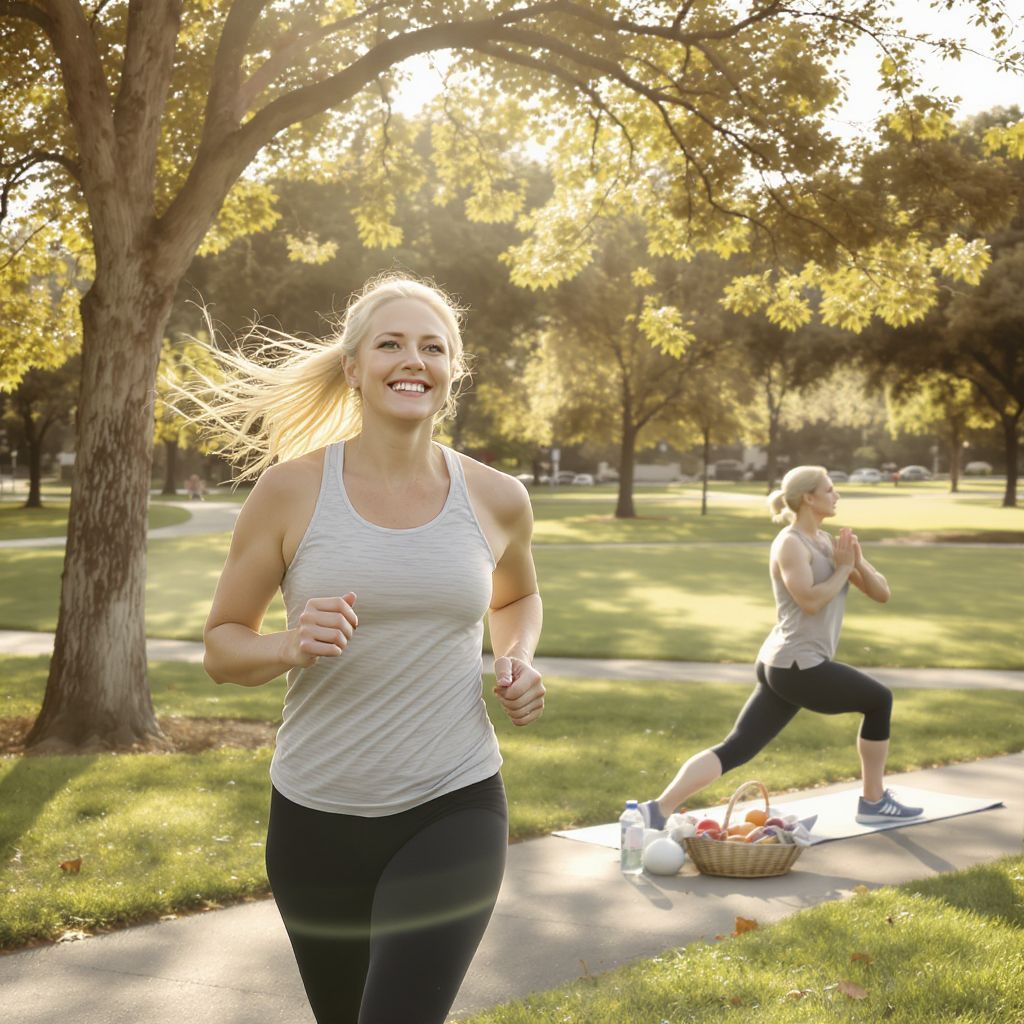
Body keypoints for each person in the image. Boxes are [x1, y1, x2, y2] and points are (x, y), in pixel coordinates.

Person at [194, 274, 545, 1024]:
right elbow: (223, 648)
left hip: (453, 801)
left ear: (453, 372)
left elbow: (516, 598)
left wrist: (515, 656)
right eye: (390, 343)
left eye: (432, 347)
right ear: (353, 366)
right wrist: (290, 644)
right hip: (315, 817)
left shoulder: (496, 496)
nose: (411, 359)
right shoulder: (289, 493)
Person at [636, 465, 922, 831]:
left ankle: (656, 810)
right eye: (830, 489)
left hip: (788, 663)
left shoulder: (826, 543)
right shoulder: (790, 543)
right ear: (809, 497)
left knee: (738, 747)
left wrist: (857, 561)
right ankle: (873, 800)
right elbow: (809, 601)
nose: (837, 496)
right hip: (797, 664)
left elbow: (882, 594)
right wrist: (842, 569)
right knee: (879, 700)